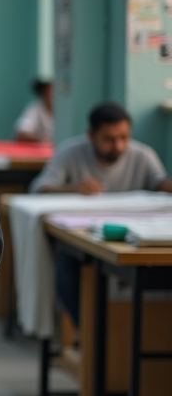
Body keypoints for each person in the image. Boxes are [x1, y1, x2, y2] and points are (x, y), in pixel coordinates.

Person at [31, 101, 172, 326]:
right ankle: (90, 337)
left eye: (124, 137)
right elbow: (39, 188)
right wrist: (73, 188)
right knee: (66, 269)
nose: (118, 145)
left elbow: (159, 182)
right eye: (109, 139)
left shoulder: (142, 155)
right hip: (84, 242)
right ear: (91, 135)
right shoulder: (70, 152)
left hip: (128, 242)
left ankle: (124, 340)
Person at [14, 79, 54, 143]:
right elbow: (21, 134)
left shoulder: (65, 112)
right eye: (52, 91)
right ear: (44, 93)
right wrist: (45, 141)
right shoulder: (34, 109)